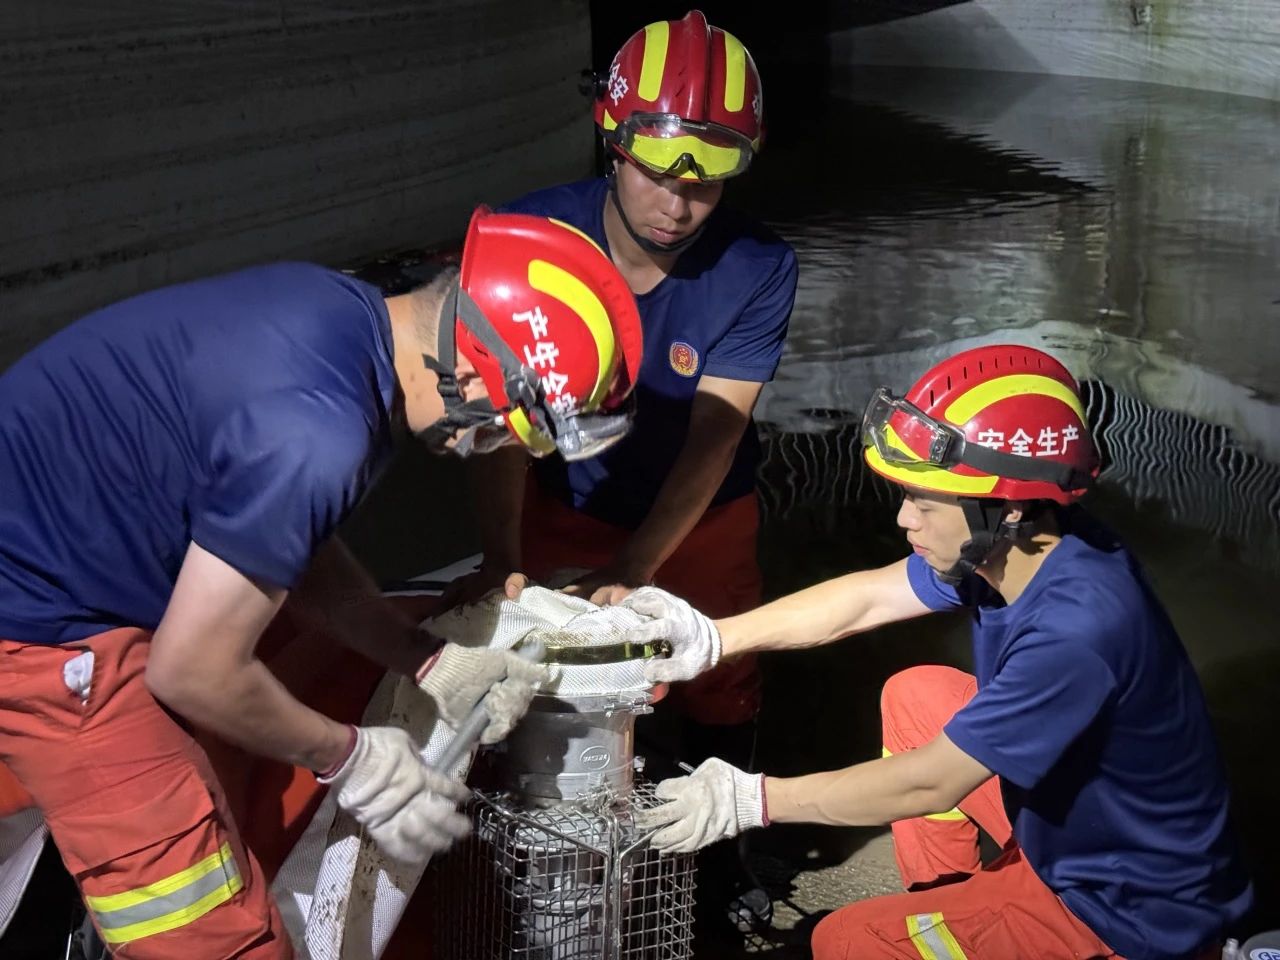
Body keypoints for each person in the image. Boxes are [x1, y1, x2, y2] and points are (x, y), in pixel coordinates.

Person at [0, 207, 642, 959]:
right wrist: (351, 756)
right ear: (468, 370)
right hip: (48, 634)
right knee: (213, 935)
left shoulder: (338, 315)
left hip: (49, 552)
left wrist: (425, 659)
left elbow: (282, 539)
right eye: (506, 430)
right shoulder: (318, 432)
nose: (487, 450)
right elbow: (193, 669)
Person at [626, 344, 1253, 960]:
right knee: (917, 696)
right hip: (1085, 827)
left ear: (1003, 509)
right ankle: (949, 903)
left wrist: (751, 801)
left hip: (1123, 907)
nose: (905, 519)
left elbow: (932, 783)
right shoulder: (1027, 540)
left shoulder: (1077, 633)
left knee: (843, 942)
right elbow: (868, 599)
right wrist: (713, 637)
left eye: (924, 502)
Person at [449, 10, 798, 932]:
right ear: (614, 138)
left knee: (724, 669)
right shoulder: (529, 233)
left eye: (711, 180)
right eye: (659, 169)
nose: (679, 205)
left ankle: (724, 862)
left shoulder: (758, 265)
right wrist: (501, 557)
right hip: (565, 493)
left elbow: (715, 434)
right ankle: (536, 852)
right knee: (547, 670)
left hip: (702, 508)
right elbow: (496, 423)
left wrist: (639, 570)